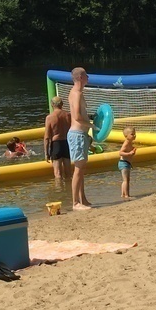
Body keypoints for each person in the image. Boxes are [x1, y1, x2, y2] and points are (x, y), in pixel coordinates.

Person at [67, 67, 92, 210]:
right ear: (81, 77)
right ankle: (75, 203)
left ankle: (83, 199)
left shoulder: (77, 93)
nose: (88, 77)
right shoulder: (76, 93)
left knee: (81, 168)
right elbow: (76, 116)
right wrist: (92, 126)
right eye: (86, 75)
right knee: (78, 168)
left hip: (80, 134)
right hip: (77, 134)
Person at [43, 96, 72, 180]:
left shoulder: (50, 117)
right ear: (62, 104)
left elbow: (47, 137)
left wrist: (46, 153)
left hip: (56, 144)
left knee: (58, 174)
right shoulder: (68, 115)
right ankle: (69, 191)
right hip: (66, 143)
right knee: (68, 173)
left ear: (52, 105)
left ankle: (60, 192)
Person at [118, 126, 137, 200]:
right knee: (126, 180)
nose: (134, 135)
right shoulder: (126, 143)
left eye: (135, 134)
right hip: (123, 163)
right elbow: (120, 153)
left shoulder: (129, 142)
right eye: (132, 134)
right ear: (126, 136)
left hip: (126, 163)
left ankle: (123, 194)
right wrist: (129, 154)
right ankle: (127, 195)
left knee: (125, 180)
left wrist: (132, 152)